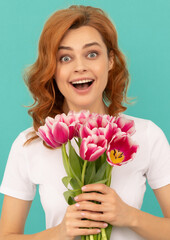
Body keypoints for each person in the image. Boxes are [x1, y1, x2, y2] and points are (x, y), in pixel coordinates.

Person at [0, 5, 170, 240]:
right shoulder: (30, 144)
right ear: (53, 69)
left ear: (110, 60)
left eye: (92, 54)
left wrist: (129, 216)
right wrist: (59, 233)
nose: (79, 66)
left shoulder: (146, 135)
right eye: (65, 57)